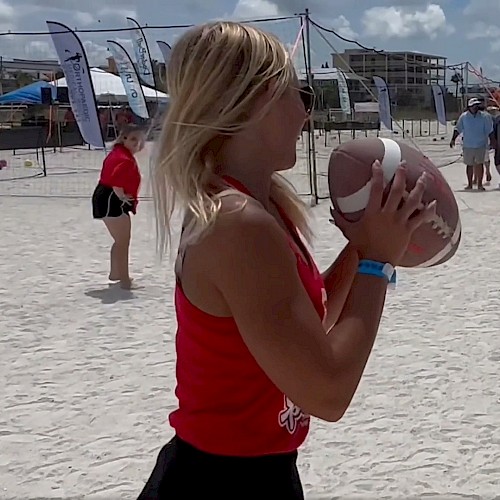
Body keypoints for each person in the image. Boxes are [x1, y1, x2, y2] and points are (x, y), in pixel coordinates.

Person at [139, 21, 436, 499]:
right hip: (222, 480)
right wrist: (377, 262)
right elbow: (327, 392)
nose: (305, 112)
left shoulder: (258, 203)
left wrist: (363, 242)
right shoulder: (237, 222)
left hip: (253, 467)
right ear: (254, 100)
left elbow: (306, 323)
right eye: (299, 93)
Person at [91, 124, 145, 289]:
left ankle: (116, 274)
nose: (138, 143)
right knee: (123, 241)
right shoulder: (124, 158)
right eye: (134, 139)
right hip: (111, 199)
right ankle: (124, 280)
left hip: (106, 197)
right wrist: (123, 197)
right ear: (124, 139)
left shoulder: (119, 153)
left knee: (120, 241)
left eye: (140, 140)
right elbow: (116, 181)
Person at [450, 97, 494, 191]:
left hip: (481, 144)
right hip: (468, 145)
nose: (475, 107)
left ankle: (479, 184)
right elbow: (458, 128)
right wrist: (453, 139)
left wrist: (492, 142)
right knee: (469, 165)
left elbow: (490, 131)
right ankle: (470, 184)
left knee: (479, 164)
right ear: (469, 107)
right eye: (473, 106)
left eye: (476, 105)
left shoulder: (484, 117)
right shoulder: (464, 117)